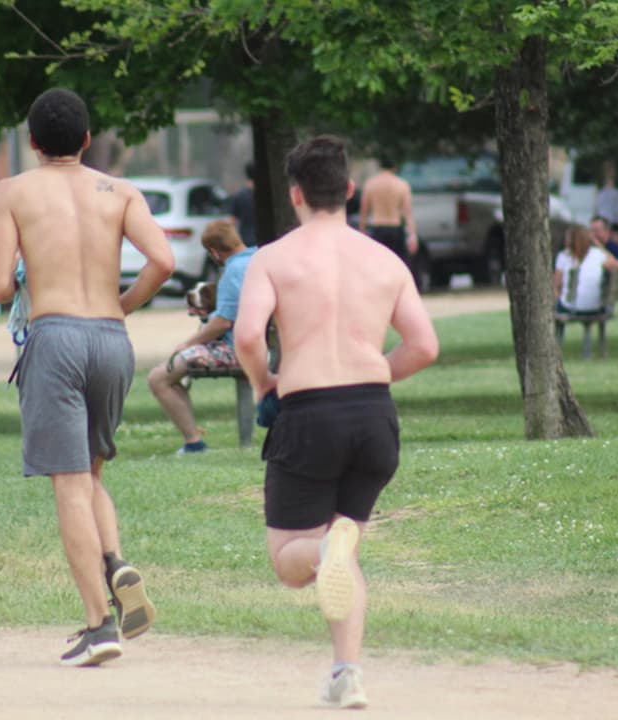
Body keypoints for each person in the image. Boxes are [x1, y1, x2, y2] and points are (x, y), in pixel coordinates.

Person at [233, 136, 439, 709]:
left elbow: (248, 336)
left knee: (293, 561)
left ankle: (326, 553)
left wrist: (262, 384)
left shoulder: (272, 258)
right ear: (349, 190)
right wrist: (374, 376)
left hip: (308, 416)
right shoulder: (385, 260)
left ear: (294, 193)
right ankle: (347, 672)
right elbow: (423, 346)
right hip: (374, 418)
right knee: (345, 550)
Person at [0, 87, 174, 667]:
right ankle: (113, 561)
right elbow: (162, 261)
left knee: (67, 482)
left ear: (33, 142)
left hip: (56, 335)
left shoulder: (11, 192)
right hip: (112, 339)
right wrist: (123, 304)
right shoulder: (119, 191)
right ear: (88, 139)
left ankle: (98, 625)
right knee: (90, 472)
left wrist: (23, 275)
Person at [147, 220, 254, 454]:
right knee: (178, 366)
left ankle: (194, 443)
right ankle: (193, 438)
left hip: (237, 350)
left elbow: (223, 322)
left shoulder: (233, 271)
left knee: (158, 378)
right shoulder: (258, 259)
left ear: (214, 252)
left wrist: (188, 343)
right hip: (263, 347)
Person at [358, 153, 418, 262]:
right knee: (398, 262)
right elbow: (407, 212)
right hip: (395, 228)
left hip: (377, 228)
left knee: (378, 263)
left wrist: (362, 230)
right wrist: (412, 235)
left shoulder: (371, 184)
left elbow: (364, 211)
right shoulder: (402, 184)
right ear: (395, 167)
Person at [554, 224, 618, 315]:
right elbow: (614, 262)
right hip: (596, 308)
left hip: (569, 308)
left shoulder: (563, 255)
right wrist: (597, 243)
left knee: (558, 302)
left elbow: (556, 284)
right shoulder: (599, 254)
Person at [594, 159, 618, 244]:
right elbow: (596, 204)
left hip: (616, 219)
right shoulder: (599, 185)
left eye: (611, 169)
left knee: (616, 242)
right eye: (607, 169)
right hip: (603, 219)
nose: (609, 171)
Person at [226, 162, 257, 246]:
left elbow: (231, 223)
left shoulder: (239, 196)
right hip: (267, 241)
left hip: (245, 241)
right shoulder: (268, 195)